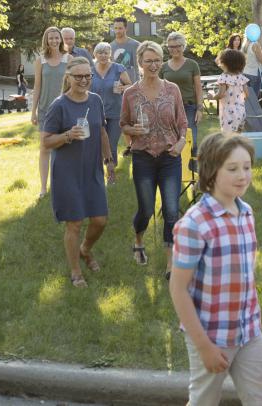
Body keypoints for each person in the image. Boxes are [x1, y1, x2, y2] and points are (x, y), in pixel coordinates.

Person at [169, 133, 262, 406]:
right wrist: (204, 346)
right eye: (233, 168)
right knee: (204, 400)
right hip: (211, 335)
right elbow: (178, 289)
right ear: (211, 172)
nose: (243, 175)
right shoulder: (195, 224)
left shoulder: (247, 212)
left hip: (249, 331)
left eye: (247, 167)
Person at [41, 57, 117, 288]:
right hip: (67, 172)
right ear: (68, 77)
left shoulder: (95, 101)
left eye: (88, 76)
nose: (84, 80)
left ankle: (85, 249)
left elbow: (102, 132)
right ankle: (75, 271)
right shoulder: (59, 106)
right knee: (74, 223)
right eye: (79, 76)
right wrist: (66, 136)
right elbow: (46, 142)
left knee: (100, 220)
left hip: (92, 169)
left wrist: (109, 160)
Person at [122, 41, 188, 267]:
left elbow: (182, 123)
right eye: (148, 60)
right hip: (143, 158)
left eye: (157, 60)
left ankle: (170, 260)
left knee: (171, 210)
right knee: (146, 209)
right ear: (140, 63)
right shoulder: (130, 93)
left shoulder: (172, 89)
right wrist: (132, 130)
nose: (153, 65)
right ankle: (138, 240)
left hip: (170, 157)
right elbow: (123, 124)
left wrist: (181, 142)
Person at [30, 27, 70, 198]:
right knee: (45, 148)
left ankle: (62, 184)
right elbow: (37, 86)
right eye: (51, 38)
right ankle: (43, 188)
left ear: (61, 40)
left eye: (56, 38)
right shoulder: (41, 60)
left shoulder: (69, 59)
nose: (54, 41)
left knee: (63, 148)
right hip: (46, 109)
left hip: (64, 109)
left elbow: (71, 85)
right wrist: (33, 111)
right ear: (46, 41)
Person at [91, 42, 133, 167]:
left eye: (106, 53)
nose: (103, 55)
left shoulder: (118, 68)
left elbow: (130, 85)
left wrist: (122, 87)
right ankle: (97, 171)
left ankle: (111, 173)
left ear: (110, 54)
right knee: (98, 143)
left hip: (115, 112)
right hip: (96, 112)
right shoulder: (90, 70)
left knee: (111, 144)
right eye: (100, 53)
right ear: (95, 54)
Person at [161, 32, 203, 149]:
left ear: (183, 46)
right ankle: (176, 166)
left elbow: (199, 89)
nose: (174, 49)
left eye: (177, 46)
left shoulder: (192, 65)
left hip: (188, 107)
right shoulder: (163, 67)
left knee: (191, 141)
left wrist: (199, 109)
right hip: (169, 108)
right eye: (171, 47)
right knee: (172, 141)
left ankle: (192, 166)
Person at [210, 49, 250, 133]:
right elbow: (247, 94)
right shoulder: (241, 77)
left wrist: (212, 96)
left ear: (224, 63)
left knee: (228, 138)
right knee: (238, 136)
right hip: (241, 111)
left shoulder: (224, 77)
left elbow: (220, 94)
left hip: (228, 113)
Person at [112, 17, 141, 83]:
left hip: (134, 85)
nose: (117, 31)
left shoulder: (136, 45)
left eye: (120, 28)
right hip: (117, 86)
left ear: (126, 29)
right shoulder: (110, 46)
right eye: (115, 28)